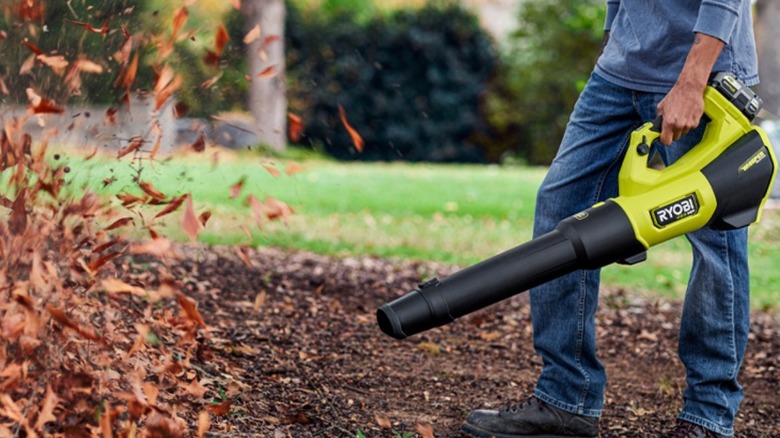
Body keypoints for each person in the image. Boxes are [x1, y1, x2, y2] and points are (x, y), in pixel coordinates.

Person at [461, 1, 759, 437]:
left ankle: (709, 415)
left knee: (717, 243)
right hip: (619, 74)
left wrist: (692, 80)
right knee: (559, 208)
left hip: (705, 80)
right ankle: (567, 401)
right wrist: (611, 40)